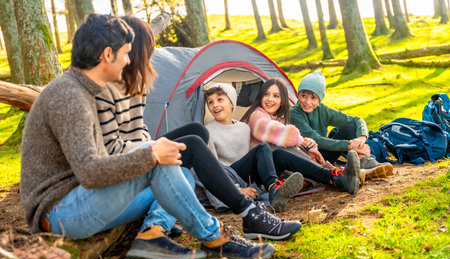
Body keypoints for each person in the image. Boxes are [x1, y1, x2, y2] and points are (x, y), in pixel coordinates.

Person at [20, 14, 276, 259]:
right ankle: (215, 237)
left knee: (182, 175)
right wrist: (151, 154)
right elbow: (89, 172)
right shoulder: (69, 96)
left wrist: (152, 152)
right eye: (125, 53)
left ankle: (152, 236)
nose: (129, 60)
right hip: (59, 212)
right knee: (161, 161)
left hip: (79, 200)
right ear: (108, 54)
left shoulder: (83, 91)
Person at [95, 17, 301, 241]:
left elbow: (138, 130)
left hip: (137, 152)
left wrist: (151, 143)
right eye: (147, 51)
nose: (149, 58)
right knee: (192, 145)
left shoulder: (133, 83)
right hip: (121, 165)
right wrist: (153, 150)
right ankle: (249, 213)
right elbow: (108, 150)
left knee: (197, 132)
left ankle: (164, 218)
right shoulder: (105, 87)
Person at [205, 83, 361, 212]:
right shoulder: (208, 133)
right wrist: (236, 191)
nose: (215, 105)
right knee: (263, 148)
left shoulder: (243, 128)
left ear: (232, 102)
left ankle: (335, 179)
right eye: (210, 102)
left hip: (250, 176)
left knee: (279, 154)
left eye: (220, 99)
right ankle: (274, 188)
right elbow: (208, 171)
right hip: (230, 178)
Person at [290, 71, 393, 180]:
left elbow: (356, 120)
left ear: (319, 99)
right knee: (337, 138)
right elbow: (317, 139)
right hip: (308, 157)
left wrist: (361, 137)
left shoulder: (322, 110)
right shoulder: (294, 113)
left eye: (313, 98)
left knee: (350, 127)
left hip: (324, 153)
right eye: (303, 96)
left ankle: (364, 161)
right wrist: (349, 145)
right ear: (298, 95)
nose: (307, 102)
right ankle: (360, 166)